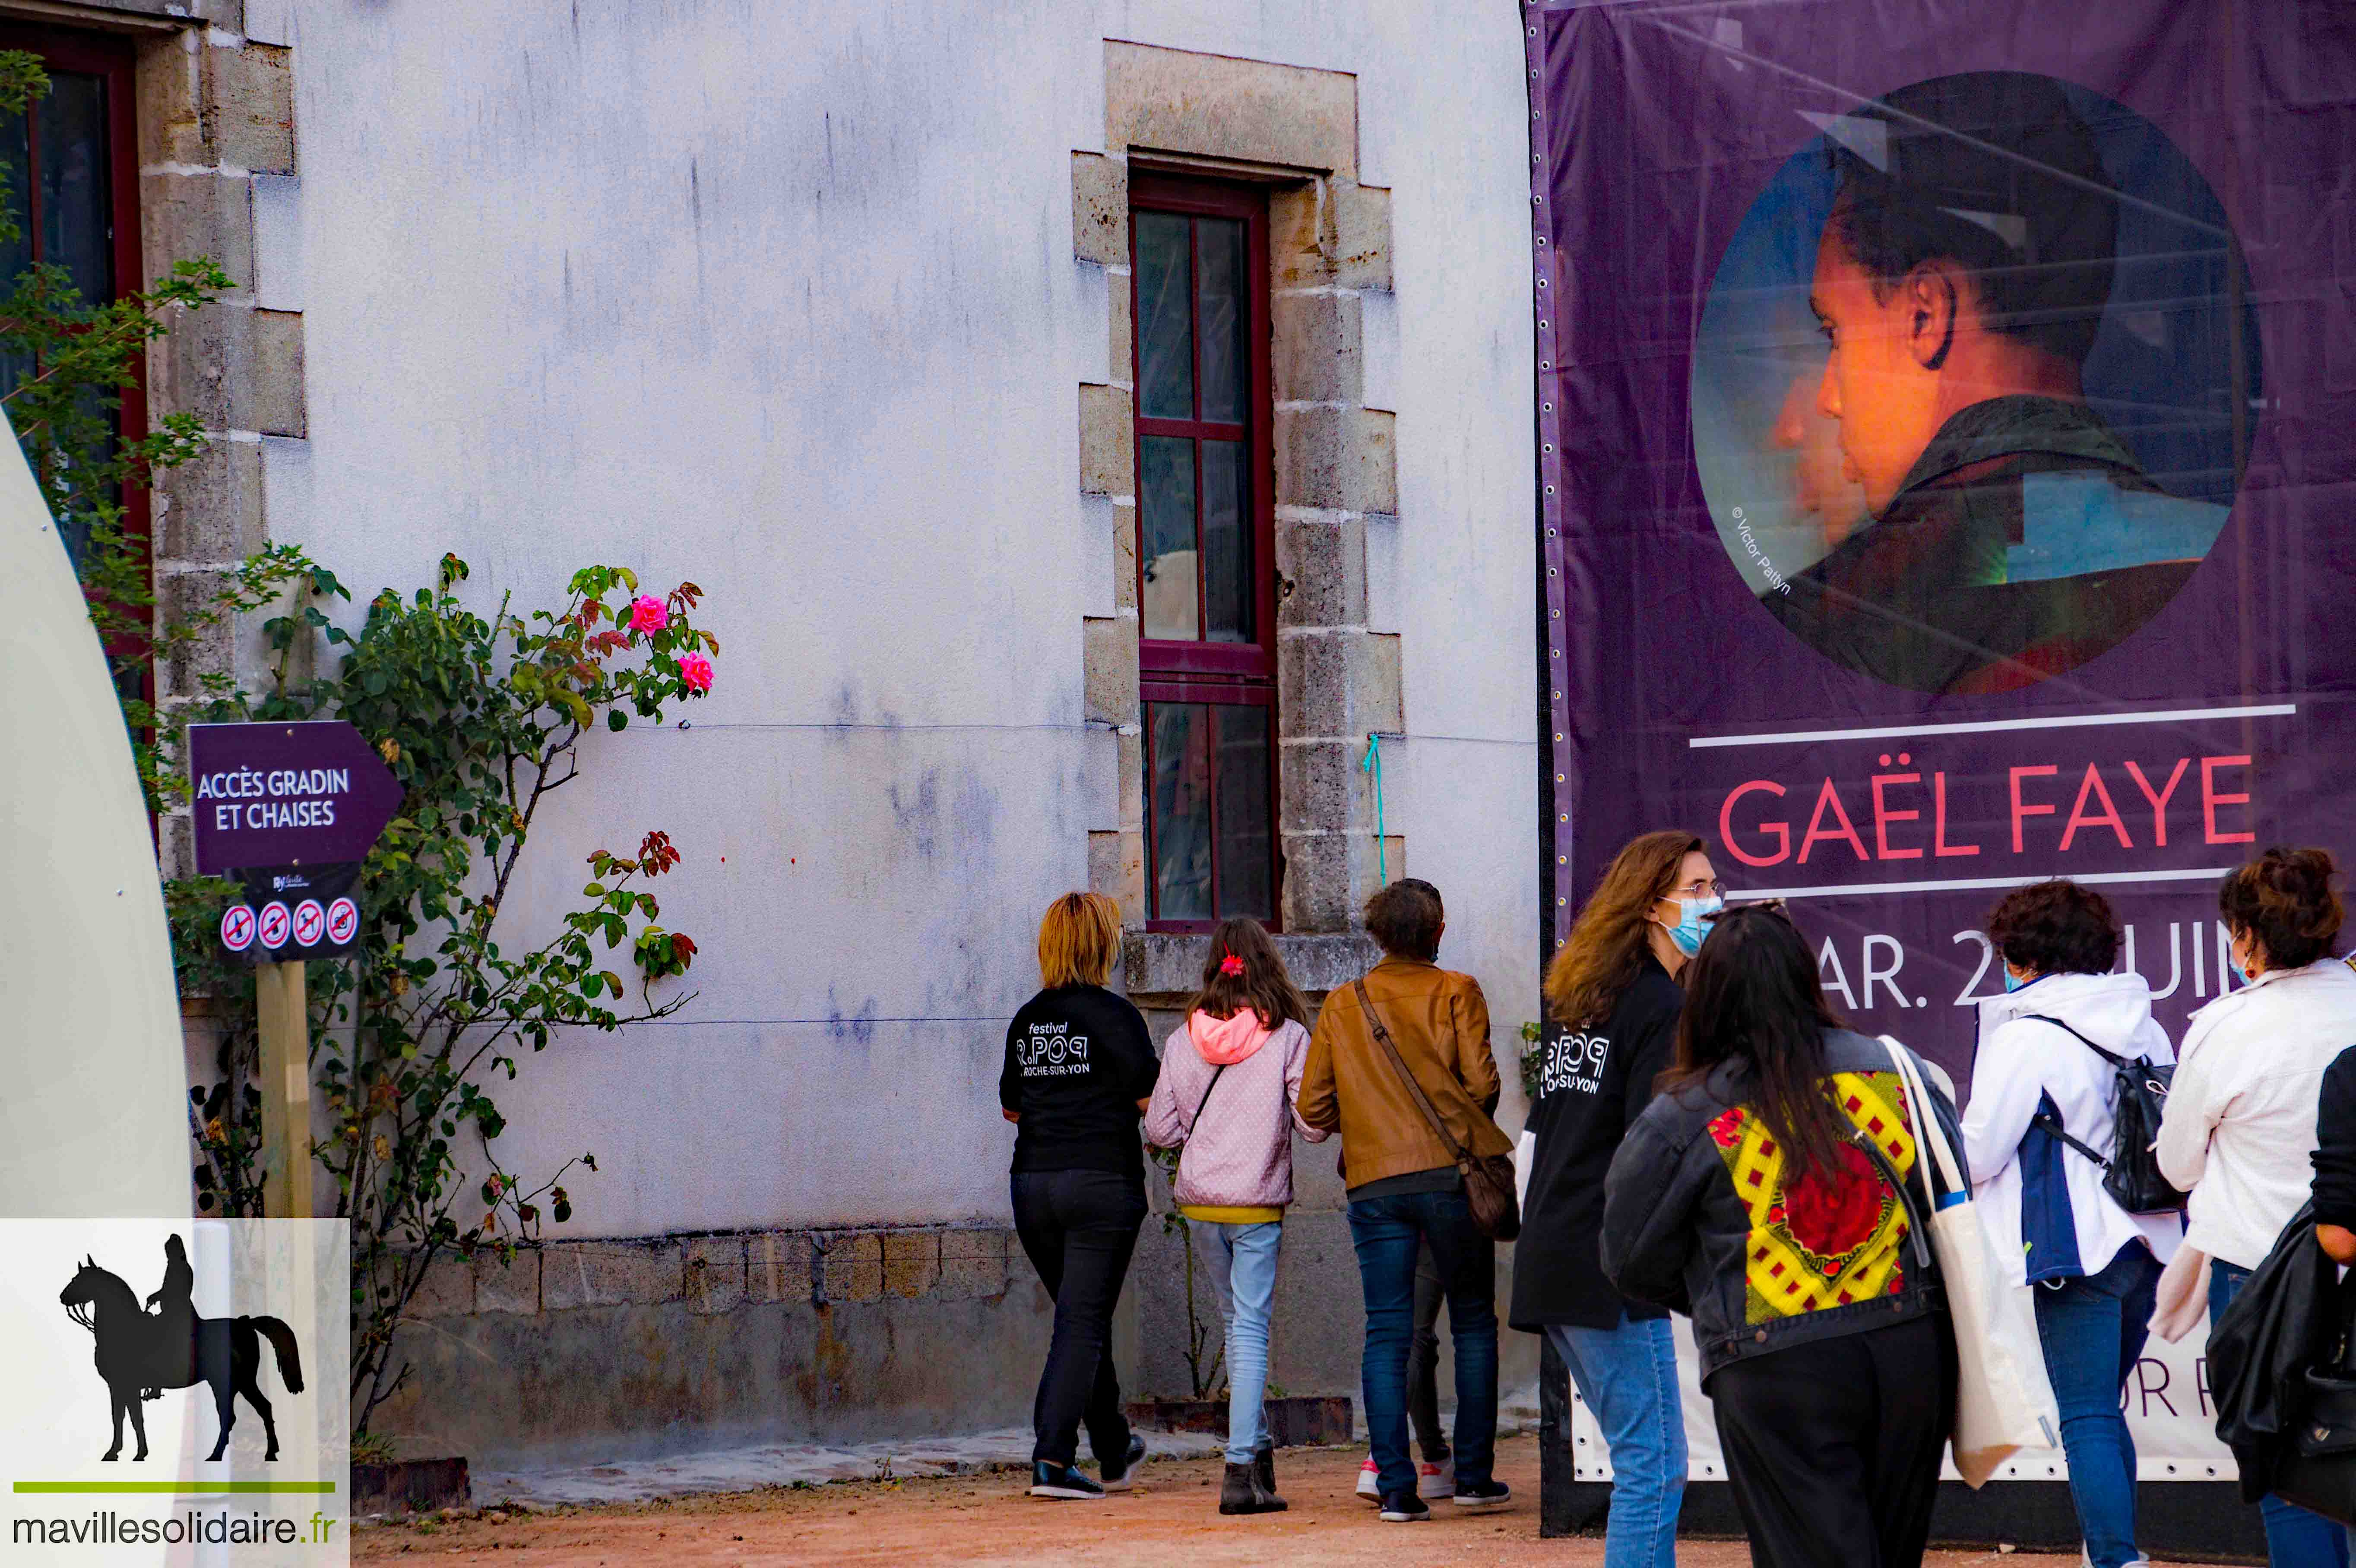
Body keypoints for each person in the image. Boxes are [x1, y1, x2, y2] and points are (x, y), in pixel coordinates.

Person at [1767, 72, 2226, 695]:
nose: (1828, 398)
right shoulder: (2240, 575)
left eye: (1836, 333)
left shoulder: (1816, 626)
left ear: (1924, 316)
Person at [1601, 904, 1961, 1567]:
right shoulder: (1894, 1070)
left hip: (1772, 1362)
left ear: (1705, 996)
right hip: (1911, 1347)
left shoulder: (1686, 1111)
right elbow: (1949, 1191)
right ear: (1807, 979)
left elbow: (1626, 1257)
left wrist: (1719, 1292)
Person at [1511, 829, 1719, 1568]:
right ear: (1650, 903)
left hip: (1556, 1249)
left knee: (1645, 1459)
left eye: (1710, 887)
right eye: (1695, 890)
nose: (1709, 903)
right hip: (1606, 1265)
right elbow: (1649, 1146)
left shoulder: (1586, 997)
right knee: (1653, 1464)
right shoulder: (1659, 1006)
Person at [1960, 880, 2180, 1568]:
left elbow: (1979, 1152)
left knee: (2085, 1413)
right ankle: (2109, 1551)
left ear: (2021, 956)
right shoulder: (2144, 1021)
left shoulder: (2024, 1034)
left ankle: (2115, 1558)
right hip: (2151, 1235)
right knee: (2104, 1408)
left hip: (2075, 1243)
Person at [2157, 847, 2356, 1564]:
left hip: (2260, 1281)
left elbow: (2177, 1165)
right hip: (2348, 1264)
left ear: (2245, 937)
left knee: (2281, 1470)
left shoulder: (2225, 1027)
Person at [1298, 878, 1514, 1523]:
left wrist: (1366, 1115)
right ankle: (1473, 1478)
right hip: (1452, 1179)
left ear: (1377, 936)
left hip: (1374, 1186)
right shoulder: (1457, 992)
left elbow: (1312, 1107)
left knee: (1388, 1332)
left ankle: (1395, 1487)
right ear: (1438, 932)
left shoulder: (1343, 1004)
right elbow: (1482, 1086)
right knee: (1473, 1322)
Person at [1143, 917, 1328, 1516]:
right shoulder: (1290, 1038)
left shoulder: (1181, 1040)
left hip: (1200, 1203)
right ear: (1266, 964)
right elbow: (1312, 1124)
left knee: (1235, 1325)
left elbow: (1161, 1129)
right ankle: (1239, 1467)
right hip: (1255, 1202)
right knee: (1250, 1329)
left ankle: (1260, 1458)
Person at [1000, 891, 1159, 1501]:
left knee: (1079, 1315)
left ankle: (1113, 1444)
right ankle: (1052, 1458)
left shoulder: (1028, 1019)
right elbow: (1151, 1102)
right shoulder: (1115, 1017)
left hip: (1034, 1187)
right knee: (1083, 1319)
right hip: (1100, 1183)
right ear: (1103, 946)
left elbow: (1012, 1108)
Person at [1352, 1242, 1459, 1505]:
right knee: (1415, 1338)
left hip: (1377, 1214)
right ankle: (1382, 1457)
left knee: (1404, 1338)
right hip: (1430, 1216)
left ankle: (1434, 1459)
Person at [142, 1232, 196, 1399]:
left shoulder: (181, 1268)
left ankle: (156, 1384)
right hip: (172, 1312)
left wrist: (157, 1296)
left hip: (178, 1314)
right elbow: (168, 1290)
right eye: (167, 1254)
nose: (168, 1257)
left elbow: (176, 1292)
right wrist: (157, 1296)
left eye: (170, 1253)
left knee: (155, 1338)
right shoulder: (174, 1267)